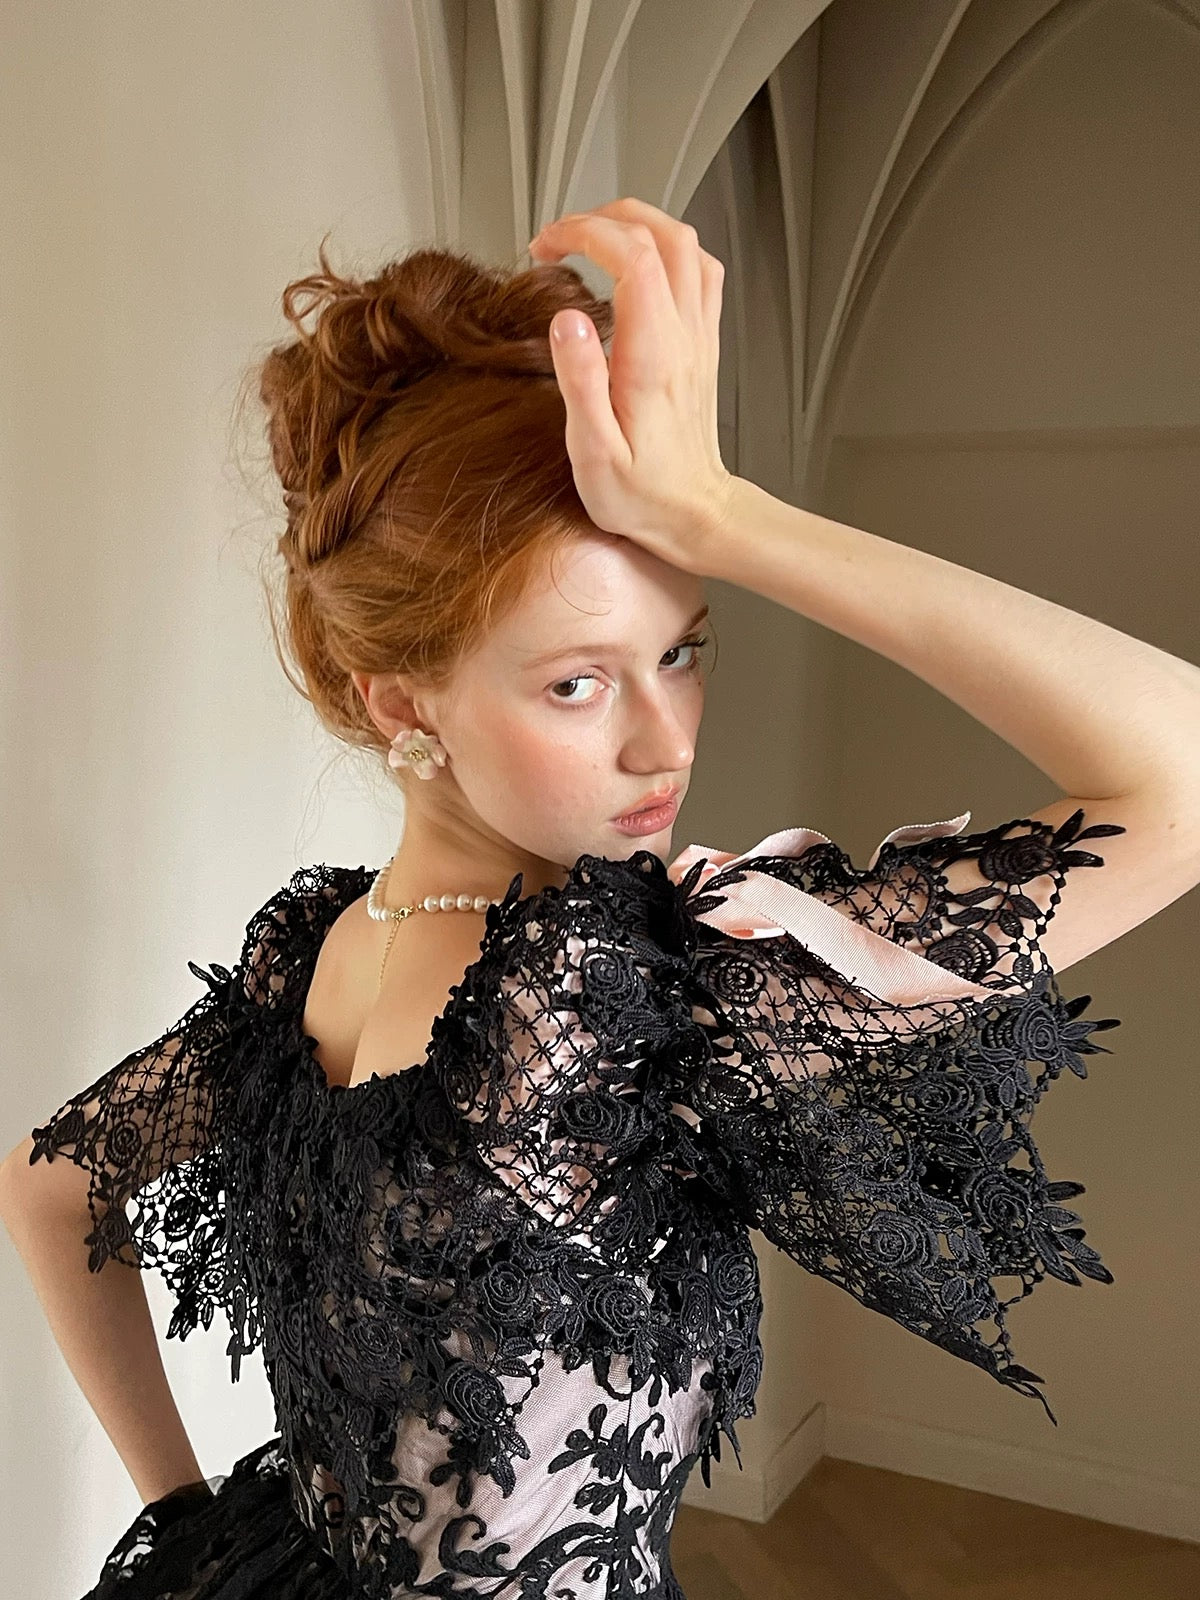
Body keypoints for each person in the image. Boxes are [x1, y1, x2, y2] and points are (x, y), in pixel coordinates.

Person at [4, 195, 1200, 1600]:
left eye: (681, 651)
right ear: (403, 704)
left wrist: (189, 1523)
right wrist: (731, 517)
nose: (664, 742)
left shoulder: (317, 950)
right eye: (578, 682)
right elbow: (1178, 784)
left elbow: (48, 1187)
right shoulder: (609, 1004)